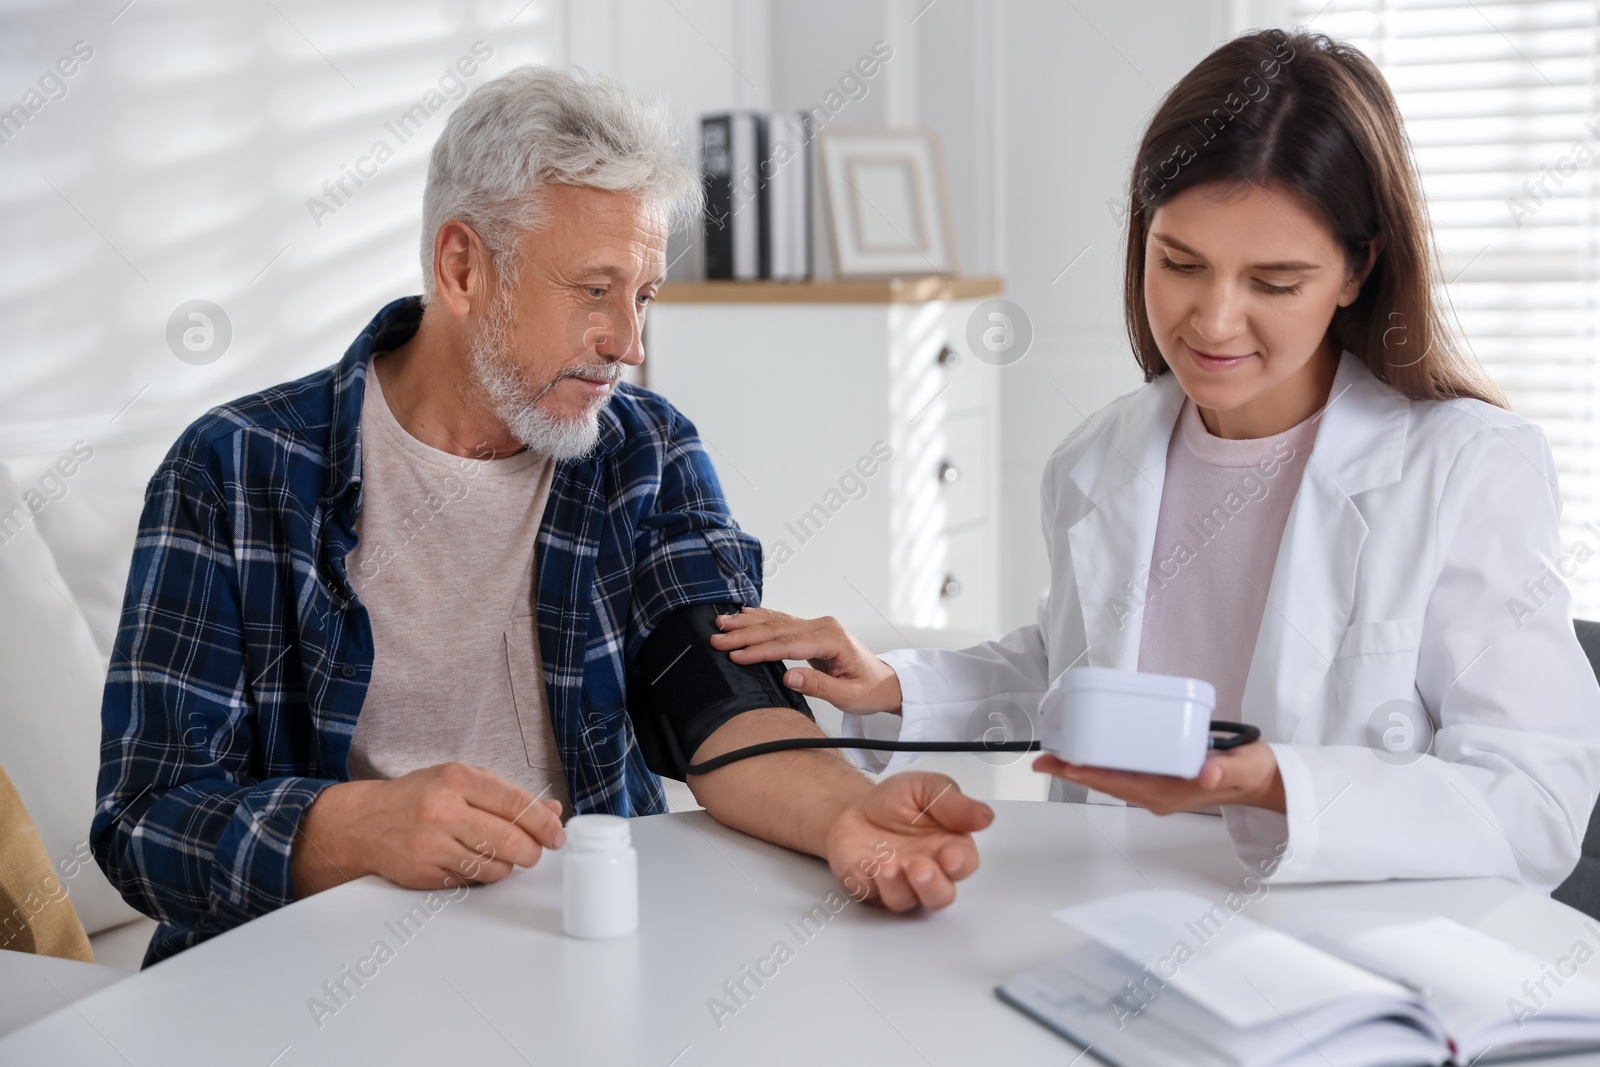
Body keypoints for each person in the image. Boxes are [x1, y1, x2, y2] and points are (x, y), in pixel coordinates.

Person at [91, 67, 991, 967]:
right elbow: (142, 817)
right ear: (462, 266)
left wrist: (845, 808)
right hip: (310, 973)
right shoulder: (235, 468)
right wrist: (350, 827)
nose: (629, 345)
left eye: (642, 296)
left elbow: (718, 698)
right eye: (595, 290)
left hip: (581, 946)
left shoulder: (647, 452)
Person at [713, 29, 1600, 890]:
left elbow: (1535, 802)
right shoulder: (1098, 458)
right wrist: (894, 681)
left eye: (1275, 283)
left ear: (1358, 269)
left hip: (1341, 954)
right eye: (1179, 262)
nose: (1212, 322)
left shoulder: (1467, 468)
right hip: (1110, 919)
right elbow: (1075, 669)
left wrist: (1274, 782)